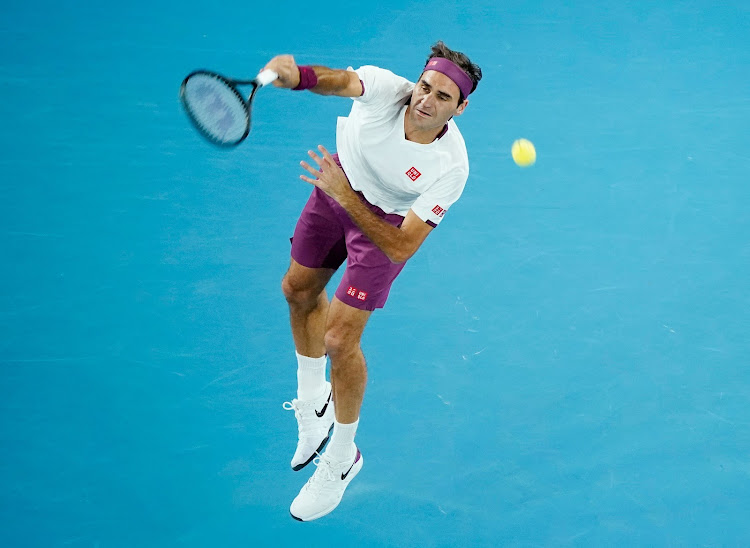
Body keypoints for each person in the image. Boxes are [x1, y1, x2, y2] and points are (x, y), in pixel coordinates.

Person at [263, 41, 482, 522]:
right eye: (425, 86)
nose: (425, 100)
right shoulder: (386, 89)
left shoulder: (452, 167)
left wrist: (345, 193)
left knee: (340, 340)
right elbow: (341, 81)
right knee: (297, 291)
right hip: (336, 190)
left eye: (443, 97)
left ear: (460, 108)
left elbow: (401, 246)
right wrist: (296, 75)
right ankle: (313, 400)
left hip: (384, 229)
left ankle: (342, 458)